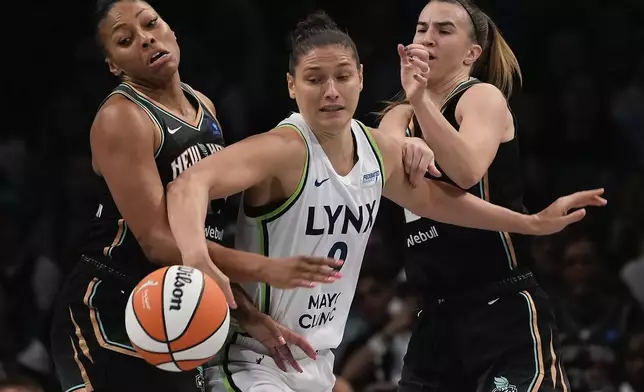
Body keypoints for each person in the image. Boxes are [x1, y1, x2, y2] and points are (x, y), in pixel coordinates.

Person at [165, 11, 606, 392]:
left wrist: (530, 223)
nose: (331, 91)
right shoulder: (285, 147)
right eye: (314, 79)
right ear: (291, 86)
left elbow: (441, 201)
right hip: (252, 359)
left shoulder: (373, 149)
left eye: (342, 76)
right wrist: (196, 255)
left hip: (316, 361)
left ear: (360, 75)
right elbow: (187, 185)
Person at [50, 1, 343, 392]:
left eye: (151, 24)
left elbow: (208, 233)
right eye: (125, 40)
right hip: (112, 302)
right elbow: (158, 241)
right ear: (114, 66)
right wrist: (261, 268)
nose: (146, 39)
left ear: (171, 29)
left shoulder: (202, 105)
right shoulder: (122, 117)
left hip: (179, 302)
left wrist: (249, 314)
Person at [379, 0, 583, 391]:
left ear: (472, 53)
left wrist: (420, 100)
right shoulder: (397, 117)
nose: (428, 38)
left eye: (443, 30)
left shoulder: (481, 97)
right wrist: (408, 123)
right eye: (421, 29)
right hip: (435, 317)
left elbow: (467, 170)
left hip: (500, 303)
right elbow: (389, 179)